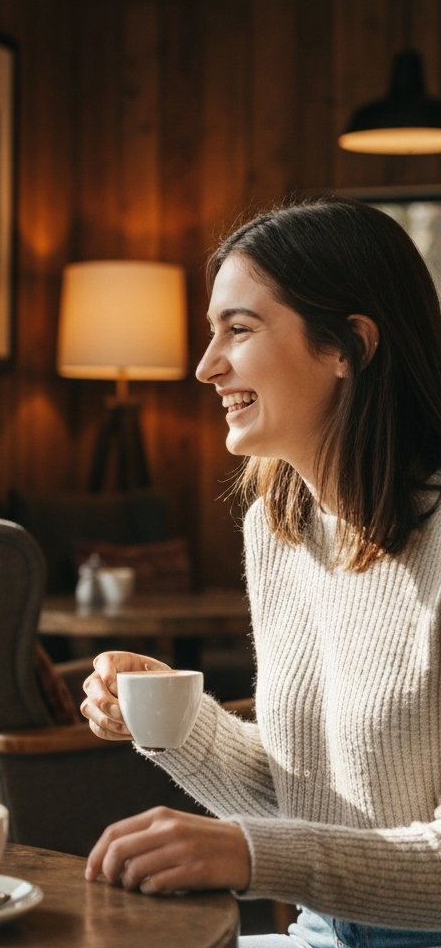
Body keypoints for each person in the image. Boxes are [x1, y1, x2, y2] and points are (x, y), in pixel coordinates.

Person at [81, 198, 441, 946]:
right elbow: (301, 800)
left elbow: (285, 842)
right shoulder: (278, 532)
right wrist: (170, 719)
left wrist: (248, 853)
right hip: (322, 933)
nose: (206, 366)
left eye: (238, 330)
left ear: (349, 346)